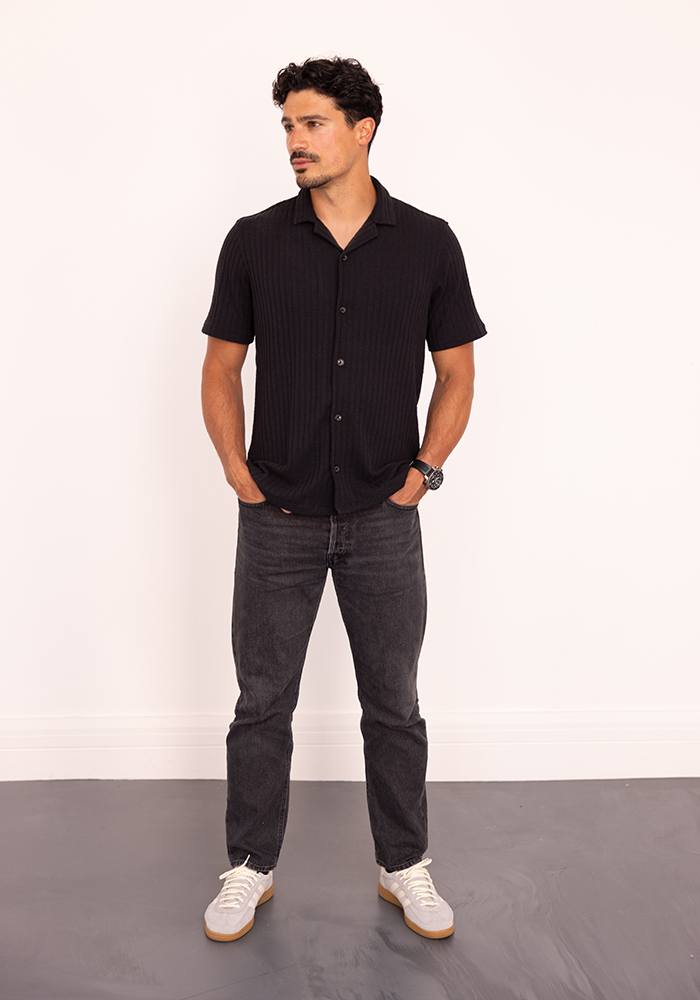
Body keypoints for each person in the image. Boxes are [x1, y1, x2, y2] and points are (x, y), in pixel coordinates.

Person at [200, 56, 486, 943]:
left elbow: (457, 372)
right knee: (261, 704)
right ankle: (250, 866)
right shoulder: (253, 241)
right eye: (288, 124)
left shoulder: (429, 242)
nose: (295, 139)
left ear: (363, 130)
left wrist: (425, 471)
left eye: (313, 122)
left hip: (383, 517)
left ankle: (404, 865)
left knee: (394, 705)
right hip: (276, 515)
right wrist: (235, 468)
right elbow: (220, 367)